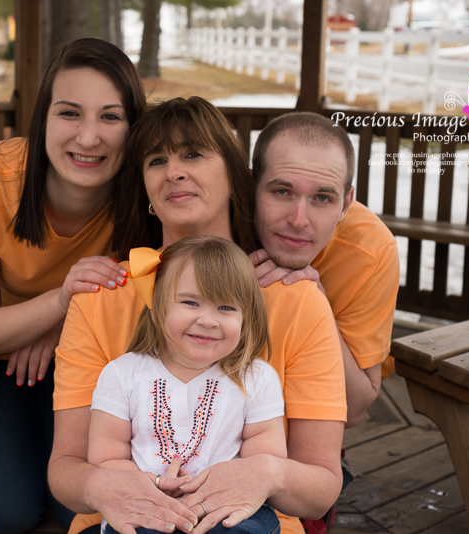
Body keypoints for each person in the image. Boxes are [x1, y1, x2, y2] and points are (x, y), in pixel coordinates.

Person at [50, 96, 347, 534]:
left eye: (193, 153)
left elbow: (322, 485)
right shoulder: (101, 298)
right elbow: (65, 469)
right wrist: (102, 486)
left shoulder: (296, 299)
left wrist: (268, 474)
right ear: (148, 192)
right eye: (156, 161)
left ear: (234, 175)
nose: (173, 171)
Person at [0, 38, 146, 534]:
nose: (89, 137)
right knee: (12, 512)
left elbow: (157, 295)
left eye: (111, 117)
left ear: (134, 127)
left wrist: (62, 324)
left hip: (100, 362)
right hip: (2, 358)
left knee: (77, 508)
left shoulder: (148, 186)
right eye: (70, 113)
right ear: (43, 118)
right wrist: (57, 302)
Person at [249, 112, 400, 530]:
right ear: (251, 186)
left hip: (296, 449)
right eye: (282, 191)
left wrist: (314, 303)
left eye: (322, 198)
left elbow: (354, 407)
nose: (299, 219)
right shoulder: (220, 219)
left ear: (347, 202)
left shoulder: (370, 249)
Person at [89, 236, 286, 534]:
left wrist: (215, 486)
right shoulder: (122, 374)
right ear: (157, 303)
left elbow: (263, 460)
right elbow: (107, 458)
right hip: (146, 508)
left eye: (226, 307)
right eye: (191, 302)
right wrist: (153, 485)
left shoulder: (256, 378)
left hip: (225, 511)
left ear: (247, 316)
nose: (208, 320)